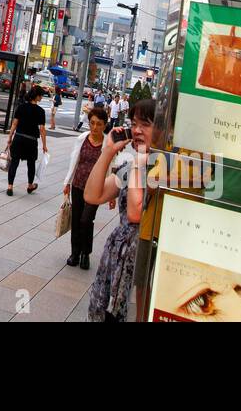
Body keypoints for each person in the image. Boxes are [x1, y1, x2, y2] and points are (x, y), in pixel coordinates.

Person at [83, 99, 161, 322]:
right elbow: (92, 195)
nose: (136, 130)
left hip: (144, 260)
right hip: (117, 257)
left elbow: (135, 214)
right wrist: (108, 152)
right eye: (133, 123)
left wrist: (139, 162)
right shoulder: (133, 166)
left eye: (144, 124)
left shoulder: (163, 166)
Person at [63, 106, 109, 270]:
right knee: (76, 219)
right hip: (78, 184)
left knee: (86, 220)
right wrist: (67, 182)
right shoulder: (82, 138)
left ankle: (85, 253)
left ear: (105, 125)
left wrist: (112, 195)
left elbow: (111, 169)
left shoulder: (108, 144)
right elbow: (73, 161)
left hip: (95, 190)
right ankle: (75, 253)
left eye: (99, 124)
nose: (95, 127)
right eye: (92, 123)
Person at [4, 86, 49, 196]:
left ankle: (10, 187)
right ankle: (30, 186)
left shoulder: (21, 107)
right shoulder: (40, 111)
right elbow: (42, 129)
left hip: (19, 138)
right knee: (31, 163)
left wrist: (10, 138)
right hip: (31, 141)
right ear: (37, 96)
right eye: (41, 95)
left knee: (14, 162)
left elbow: (14, 123)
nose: (42, 97)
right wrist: (44, 145)